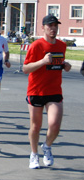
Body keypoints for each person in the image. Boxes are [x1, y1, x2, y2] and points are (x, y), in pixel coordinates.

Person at [23, 14, 71, 169]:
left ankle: (47, 146)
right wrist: (42, 61)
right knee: (36, 126)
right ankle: (34, 154)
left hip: (54, 90)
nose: (53, 28)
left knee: (55, 124)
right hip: (36, 91)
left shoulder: (61, 45)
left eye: (55, 25)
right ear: (43, 27)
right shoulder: (36, 46)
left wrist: (65, 65)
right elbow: (25, 68)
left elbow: (59, 63)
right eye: (50, 25)